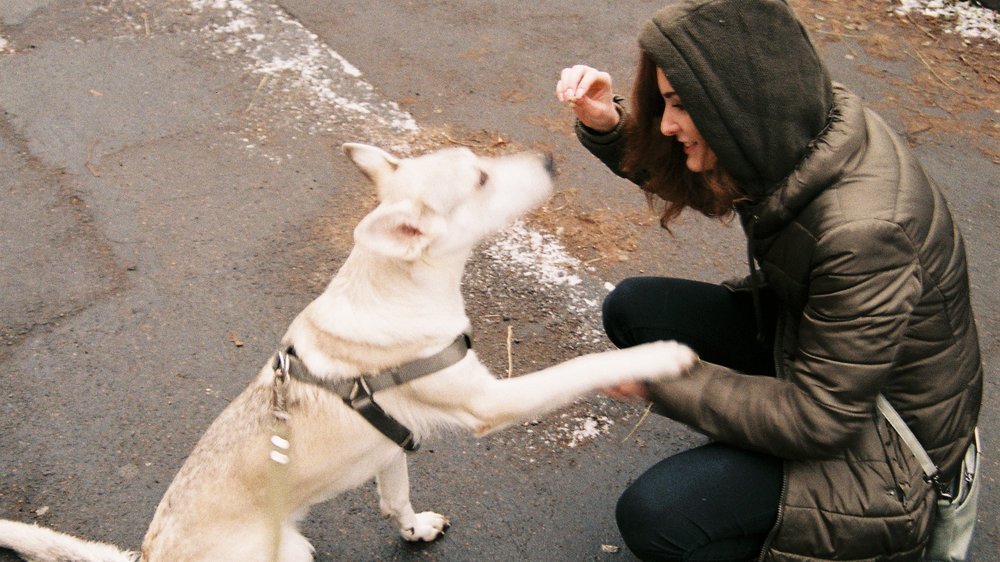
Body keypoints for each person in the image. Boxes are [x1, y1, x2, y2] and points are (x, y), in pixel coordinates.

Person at [555, 0, 983, 560]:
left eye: (681, 106)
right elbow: (698, 181)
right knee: (636, 307)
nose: (666, 123)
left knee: (658, 514)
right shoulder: (802, 127)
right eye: (664, 102)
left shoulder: (864, 231)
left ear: (733, 105)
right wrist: (607, 125)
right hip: (822, 356)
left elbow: (820, 417)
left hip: (891, 449)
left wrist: (661, 383)